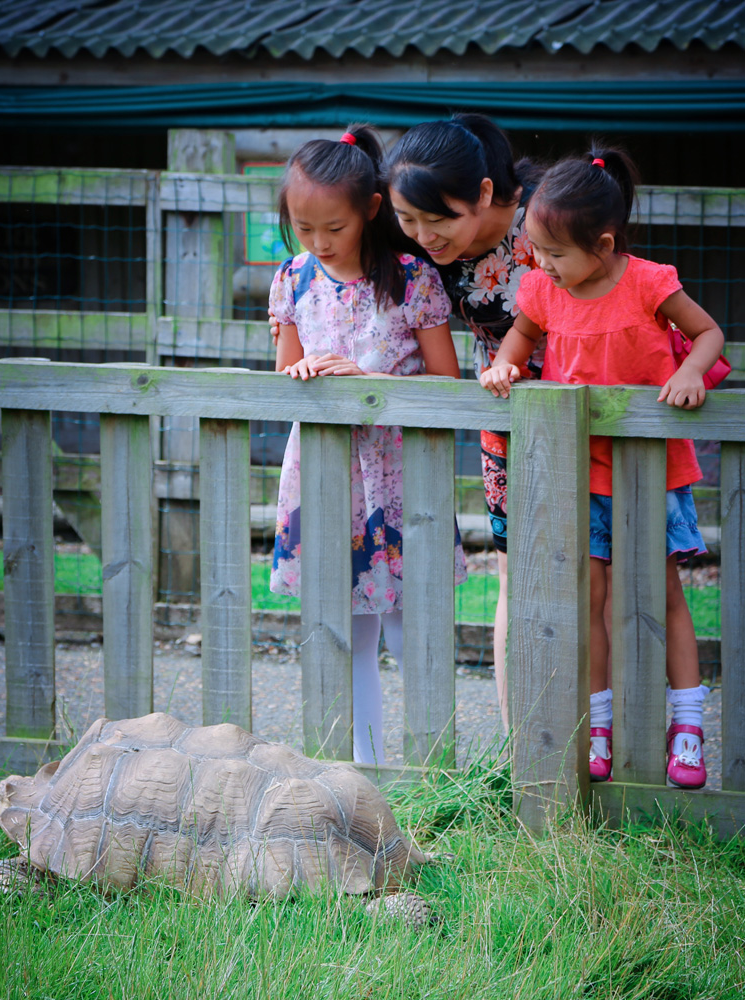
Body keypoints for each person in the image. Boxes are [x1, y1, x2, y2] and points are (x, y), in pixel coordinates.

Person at [480, 146, 725, 788]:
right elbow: (522, 340)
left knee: (662, 593)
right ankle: (598, 726)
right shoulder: (542, 289)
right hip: (579, 469)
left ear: (605, 243)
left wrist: (693, 374)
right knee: (586, 594)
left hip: (652, 470)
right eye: (535, 249)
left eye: (555, 253)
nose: (541, 264)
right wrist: (506, 364)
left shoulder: (649, 282)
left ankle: (688, 725)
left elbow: (707, 335)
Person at [269, 124, 467, 766]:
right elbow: (284, 372)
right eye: (305, 229)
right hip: (327, 477)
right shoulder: (294, 280)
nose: (320, 242)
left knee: (413, 624)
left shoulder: (412, 278)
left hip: (400, 476)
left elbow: (447, 384)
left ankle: (434, 766)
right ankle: (365, 768)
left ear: (371, 210)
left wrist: (372, 382)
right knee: (344, 628)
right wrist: (300, 375)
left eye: (334, 227)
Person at [383, 113, 545, 730]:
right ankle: (520, 748)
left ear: (483, 192)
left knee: (599, 573)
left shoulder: (549, 219)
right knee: (516, 571)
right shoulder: (419, 250)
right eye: (408, 219)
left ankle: (605, 745)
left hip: (596, 403)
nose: (423, 234)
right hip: (502, 413)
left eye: (438, 217)